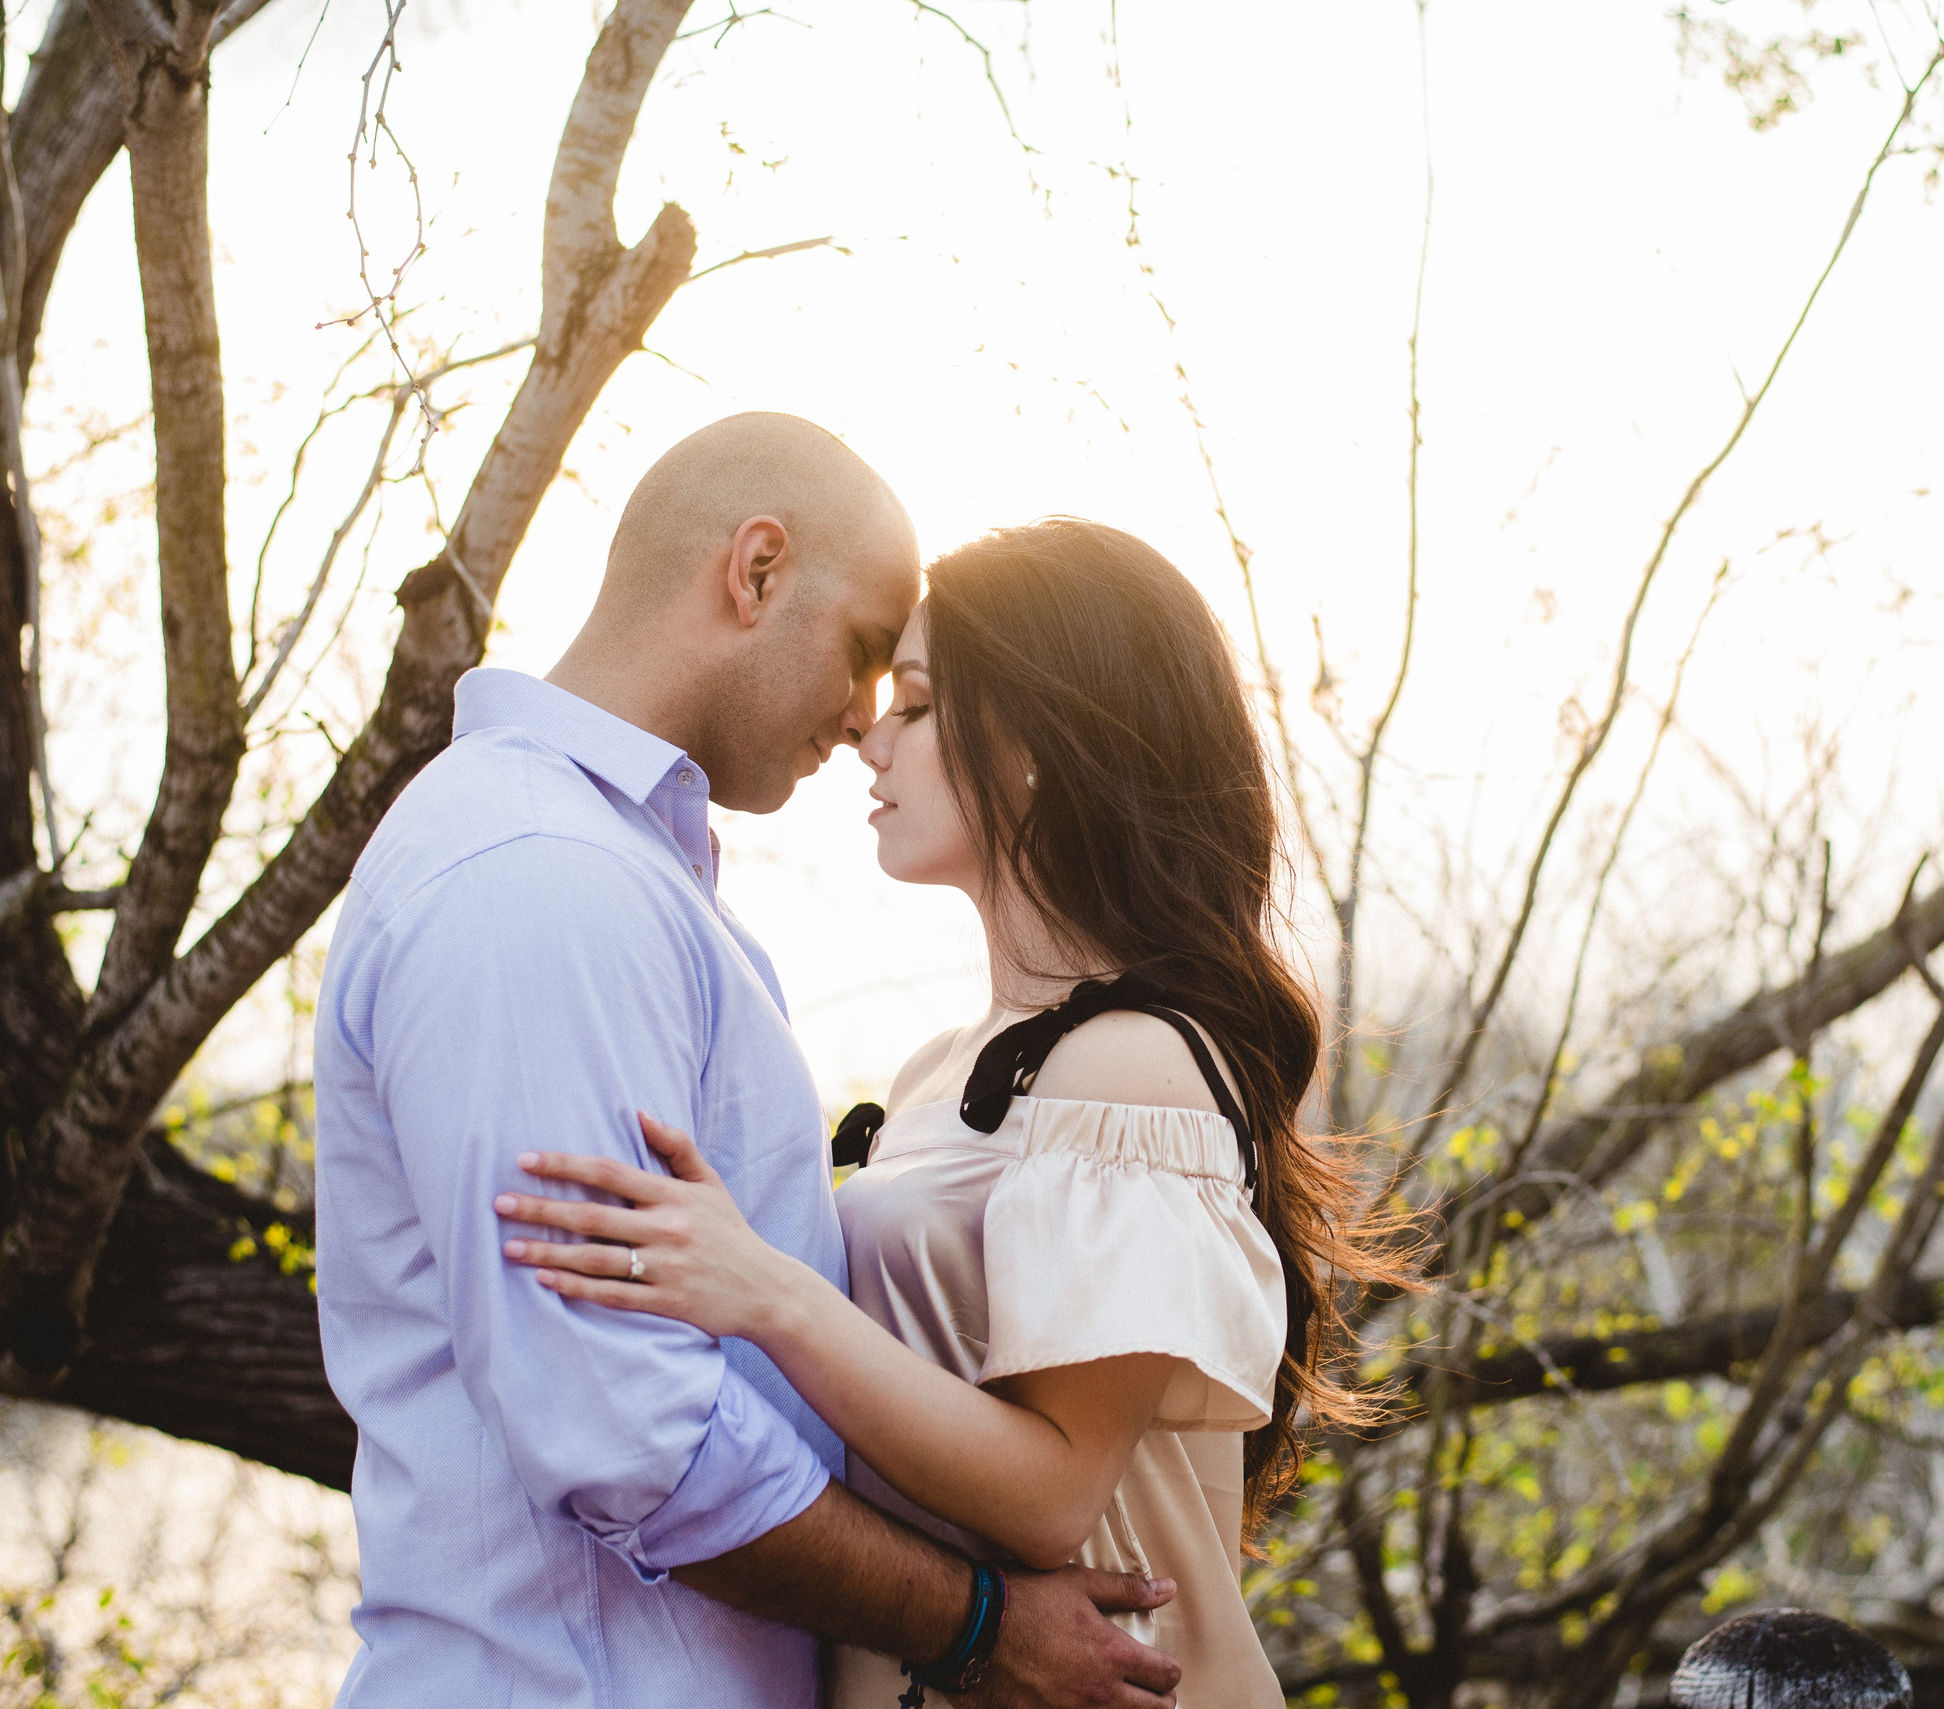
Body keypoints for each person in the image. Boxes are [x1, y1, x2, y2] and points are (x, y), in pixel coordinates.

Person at [314, 419, 1185, 1709]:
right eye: (864, 652)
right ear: (757, 571)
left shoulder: (631, 881)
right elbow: (626, 1427)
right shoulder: (538, 879)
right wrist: (979, 1626)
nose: (864, 717)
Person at [494, 518, 1399, 1708]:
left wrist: (765, 1289)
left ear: (1039, 742)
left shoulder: (1133, 1064)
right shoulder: (936, 1074)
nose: (868, 732)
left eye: (915, 704)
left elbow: (1055, 1492)